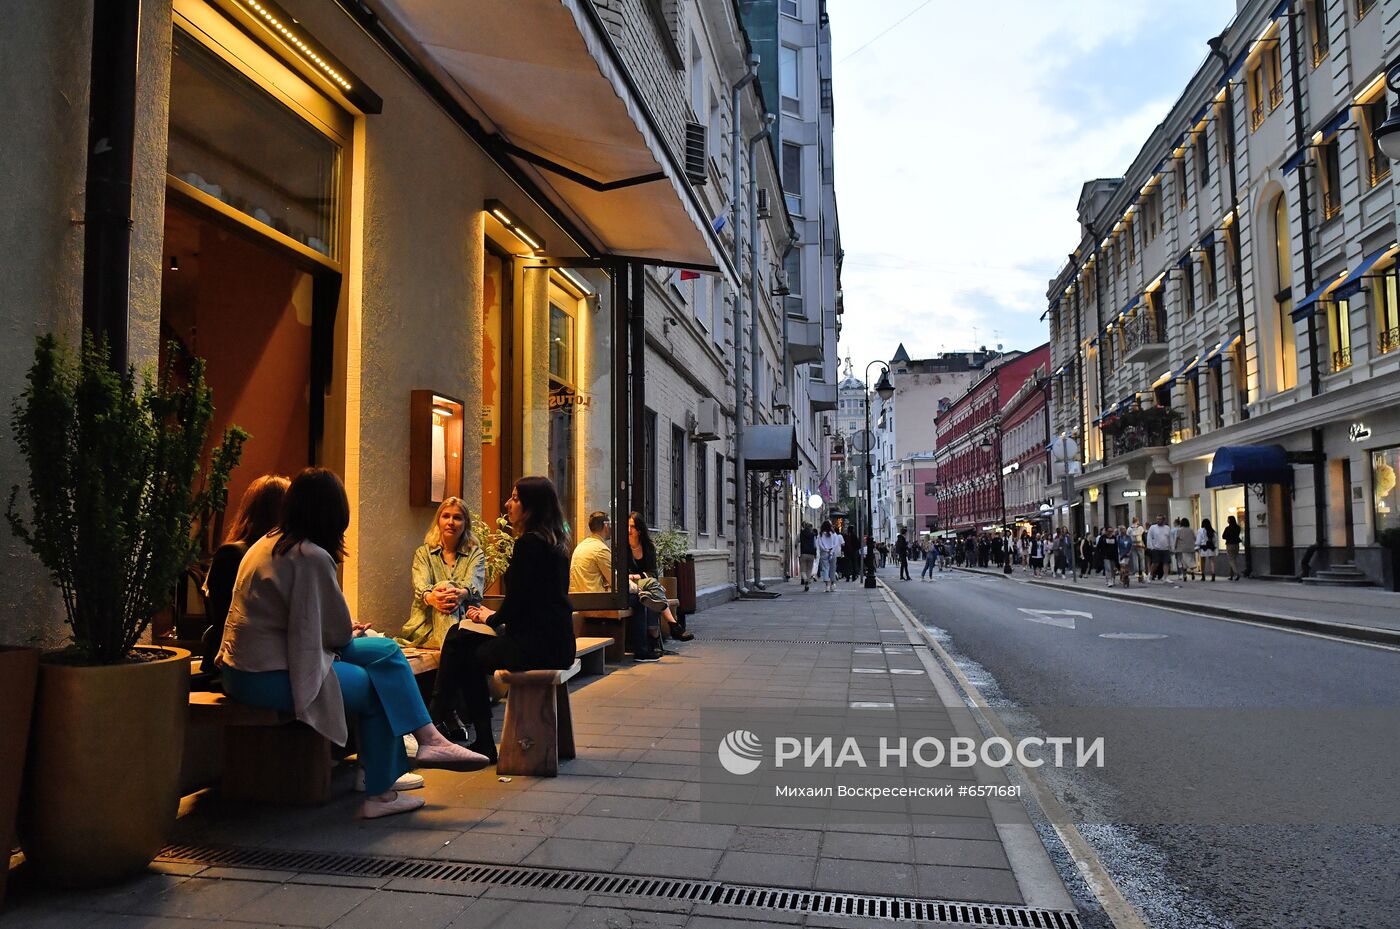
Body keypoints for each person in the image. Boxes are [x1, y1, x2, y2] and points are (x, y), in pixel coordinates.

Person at [217, 468, 488, 819]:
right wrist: (350, 630)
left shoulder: (269, 543)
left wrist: (347, 631)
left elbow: (314, 625)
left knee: (387, 650)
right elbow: (336, 635)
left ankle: (430, 740)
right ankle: (381, 792)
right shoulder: (310, 555)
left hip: (253, 663)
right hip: (268, 673)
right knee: (376, 686)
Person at [451, 476, 578, 762]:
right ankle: (442, 720)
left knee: (464, 651)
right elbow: (535, 602)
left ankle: (477, 737)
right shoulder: (556, 543)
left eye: (516, 498)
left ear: (533, 507)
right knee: (460, 640)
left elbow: (518, 605)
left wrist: (489, 617)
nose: (508, 504)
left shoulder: (529, 545)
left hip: (535, 648)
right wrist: (494, 619)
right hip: (558, 644)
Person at [398, 497, 487, 741]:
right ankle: (446, 712)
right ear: (438, 520)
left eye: (457, 517)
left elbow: (474, 586)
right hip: (424, 630)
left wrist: (460, 594)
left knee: (450, 600)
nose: (451, 522)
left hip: (465, 628)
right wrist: (432, 597)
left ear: (465, 523)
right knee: (456, 639)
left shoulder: (474, 553)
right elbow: (421, 586)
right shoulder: (423, 553)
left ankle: (435, 715)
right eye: (446, 516)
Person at [200, 474, 289, 672]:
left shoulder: (233, 553)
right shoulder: (236, 556)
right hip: (240, 662)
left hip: (256, 658)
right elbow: (228, 617)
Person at [571, 511, 613, 594]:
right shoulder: (600, 549)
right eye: (610, 525)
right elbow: (616, 582)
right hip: (595, 601)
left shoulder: (581, 546)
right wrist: (637, 588)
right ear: (606, 526)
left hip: (578, 601)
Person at [816, 520, 842, 592]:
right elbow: (836, 544)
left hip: (824, 553)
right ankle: (832, 584)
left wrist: (825, 549)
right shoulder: (834, 534)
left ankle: (827, 585)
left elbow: (820, 544)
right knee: (833, 569)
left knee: (825, 569)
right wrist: (831, 550)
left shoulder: (820, 535)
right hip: (832, 553)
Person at [1146, 515, 1173, 582]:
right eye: (1157, 519)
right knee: (1155, 563)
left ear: (1164, 520)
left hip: (1166, 548)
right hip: (1156, 548)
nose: (1158, 520)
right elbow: (1149, 537)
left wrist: (1171, 547)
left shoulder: (1167, 528)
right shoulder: (1153, 527)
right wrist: (1150, 546)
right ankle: (1151, 575)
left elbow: (1170, 538)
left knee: (1166, 562)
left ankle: (1165, 577)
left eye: (1160, 519)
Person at [1221, 515, 1242, 580]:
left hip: (1230, 545)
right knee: (1234, 559)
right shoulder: (1238, 527)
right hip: (1236, 544)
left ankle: (1237, 573)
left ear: (1229, 520)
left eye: (1228, 519)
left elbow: (1223, 536)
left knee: (1231, 560)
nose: (1227, 520)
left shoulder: (1227, 528)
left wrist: (1228, 537)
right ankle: (1231, 575)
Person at [798, 522, 817, 592]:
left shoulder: (801, 534)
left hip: (803, 553)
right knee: (809, 570)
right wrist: (815, 554)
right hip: (811, 553)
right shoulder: (813, 535)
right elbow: (815, 545)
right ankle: (807, 584)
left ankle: (805, 579)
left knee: (803, 570)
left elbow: (798, 541)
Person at [1127, 517, 1146, 581]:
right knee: (1141, 558)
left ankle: (1136, 572)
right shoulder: (1140, 527)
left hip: (1133, 544)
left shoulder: (1129, 528)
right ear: (1137, 521)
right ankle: (1142, 571)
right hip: (1140, 544)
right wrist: (1145, 544)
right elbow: (1143, 536)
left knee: (1135, 558)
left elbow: (1128, 537)